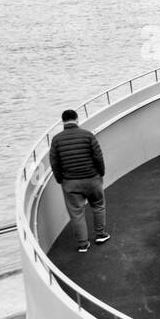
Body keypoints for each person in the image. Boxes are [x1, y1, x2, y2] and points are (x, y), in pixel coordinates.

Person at [49, 109, 109, 254]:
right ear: (77, 119)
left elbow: (54, 163)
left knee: (76, 213)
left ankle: (83, 244)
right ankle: (100, 235)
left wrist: (60, 180)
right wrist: (100, 174)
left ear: (63, 122)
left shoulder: (56, 140)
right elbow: (98, 157)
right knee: (98, 206)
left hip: (70, 183)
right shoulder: (88, 135)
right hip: (92, 179)